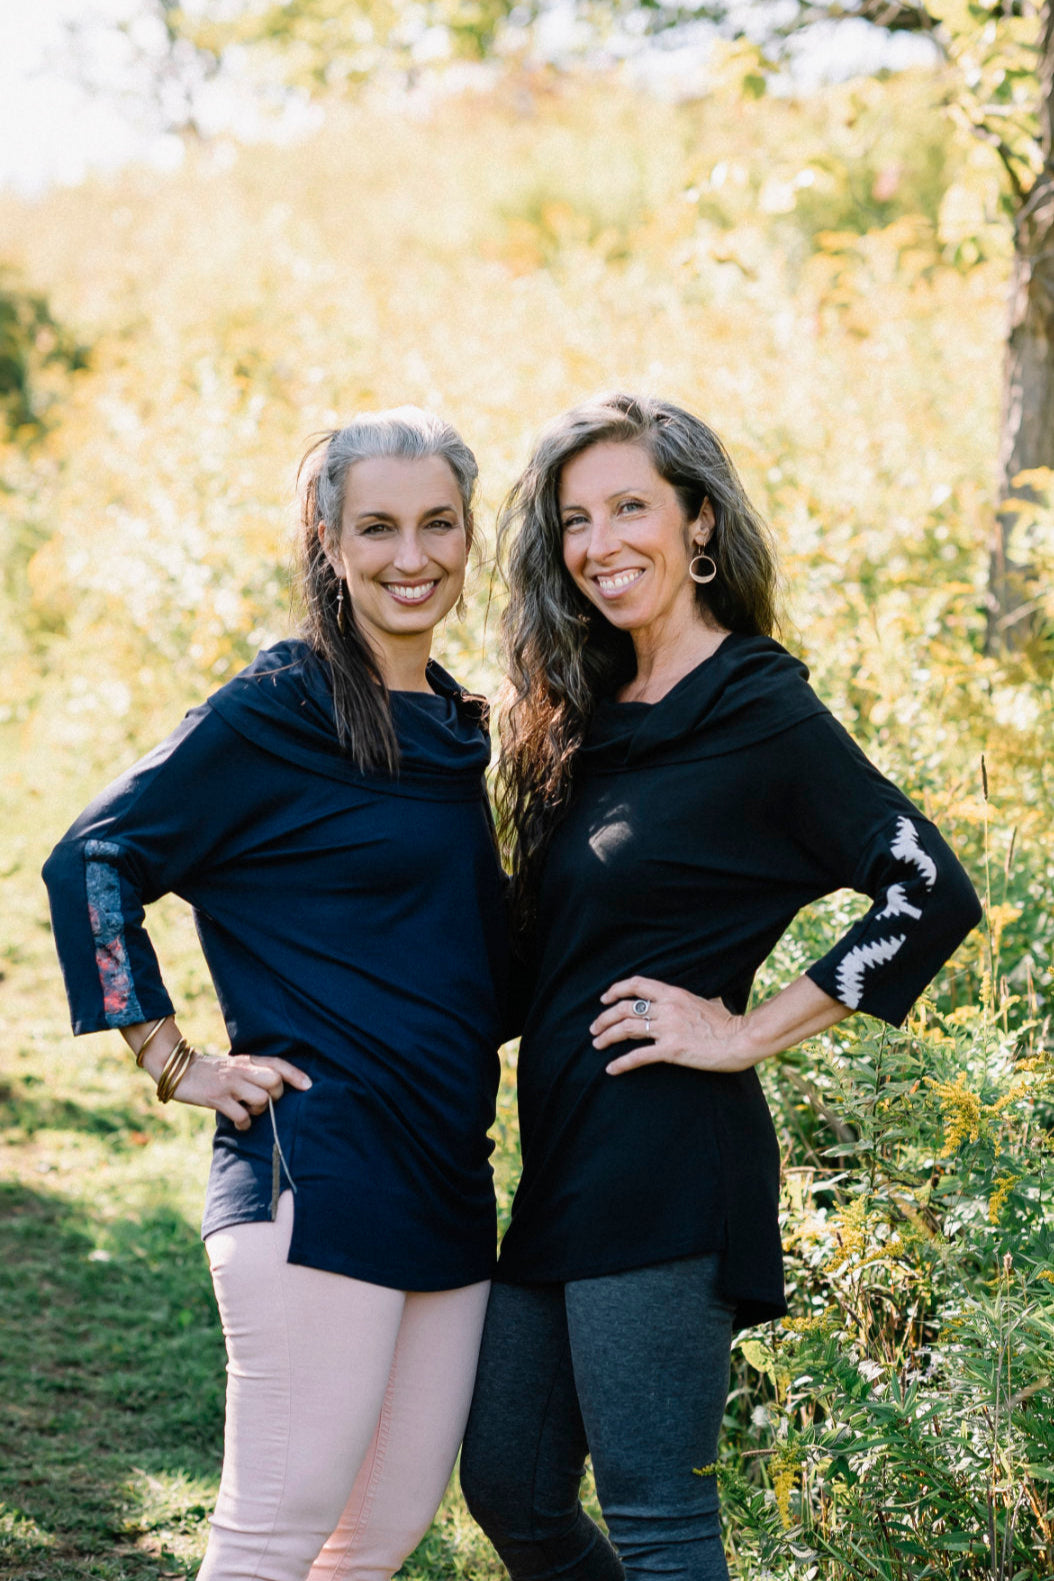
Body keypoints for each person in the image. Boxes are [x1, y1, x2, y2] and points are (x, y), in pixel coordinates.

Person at [459, 392, 981, 1581]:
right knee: (511, 1487)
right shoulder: (586, 716)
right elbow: (536, 963)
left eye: (630, 506)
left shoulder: (758, 709)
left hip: (668, 1167)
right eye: (575, 521)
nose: (600, 545)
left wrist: (749, 1032)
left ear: (699, 524)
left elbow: (927, 892)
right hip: (567, 1160)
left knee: (658, 1523)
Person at [42, 407, 510, 1581]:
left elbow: (451, 965)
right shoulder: (280, 710)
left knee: (378, 1540)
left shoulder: (458, 727)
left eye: (439, 524)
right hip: (319, 1172)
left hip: (450, 1171)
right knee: (271, 1542)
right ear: (327, 537)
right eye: (380, 527)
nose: (415, 557)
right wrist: (171, 1058)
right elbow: (92, 858)